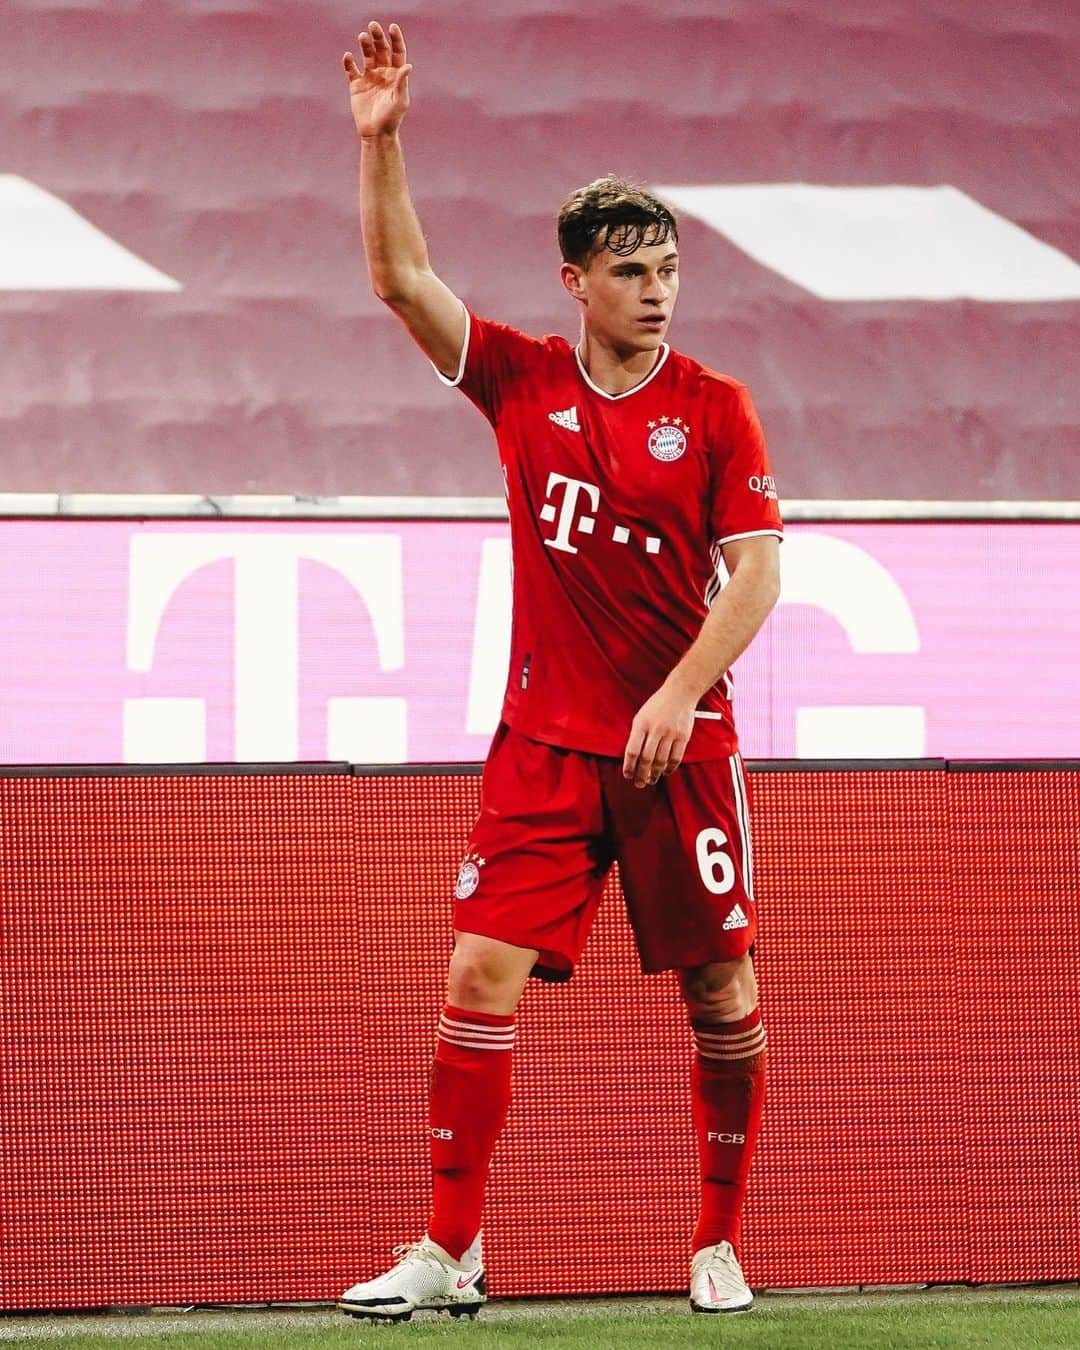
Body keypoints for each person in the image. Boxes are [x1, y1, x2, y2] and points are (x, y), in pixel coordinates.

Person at [337, 19, 782, 1323]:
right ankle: (450, 1247)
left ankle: (717, 1242)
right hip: (544, 741)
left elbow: (756, 575)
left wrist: (676, 688)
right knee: (477, 971)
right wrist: (384, 140)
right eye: (631, 268)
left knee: (725, 988)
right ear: (575, 278)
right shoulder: (522, 384)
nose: (657, 289)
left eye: (669, 268)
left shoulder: (714, 407)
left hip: (677, 746)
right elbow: (400, 280)